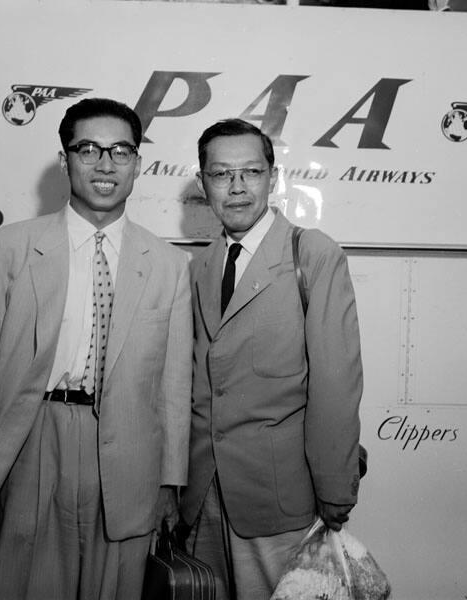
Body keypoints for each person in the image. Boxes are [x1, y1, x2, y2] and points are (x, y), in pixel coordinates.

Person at [0, 98, 193, 599]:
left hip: (130, 458)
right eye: (89, 149)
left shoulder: (169, 265)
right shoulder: (5, 251)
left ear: (137, 164)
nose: (106, 165)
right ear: (65, 160)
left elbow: (173, 388)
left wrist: (170, 483)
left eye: (121, 151)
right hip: (33, 442)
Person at [180, 118, 363, 599]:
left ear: (272, 177)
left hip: (277, 500)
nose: (237, 188)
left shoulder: (313, 254)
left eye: (251, 173)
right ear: (203, 184)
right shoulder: (200, 267)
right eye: (221, 175)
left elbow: (335, 386)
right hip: (204, 497)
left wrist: (336, 488)